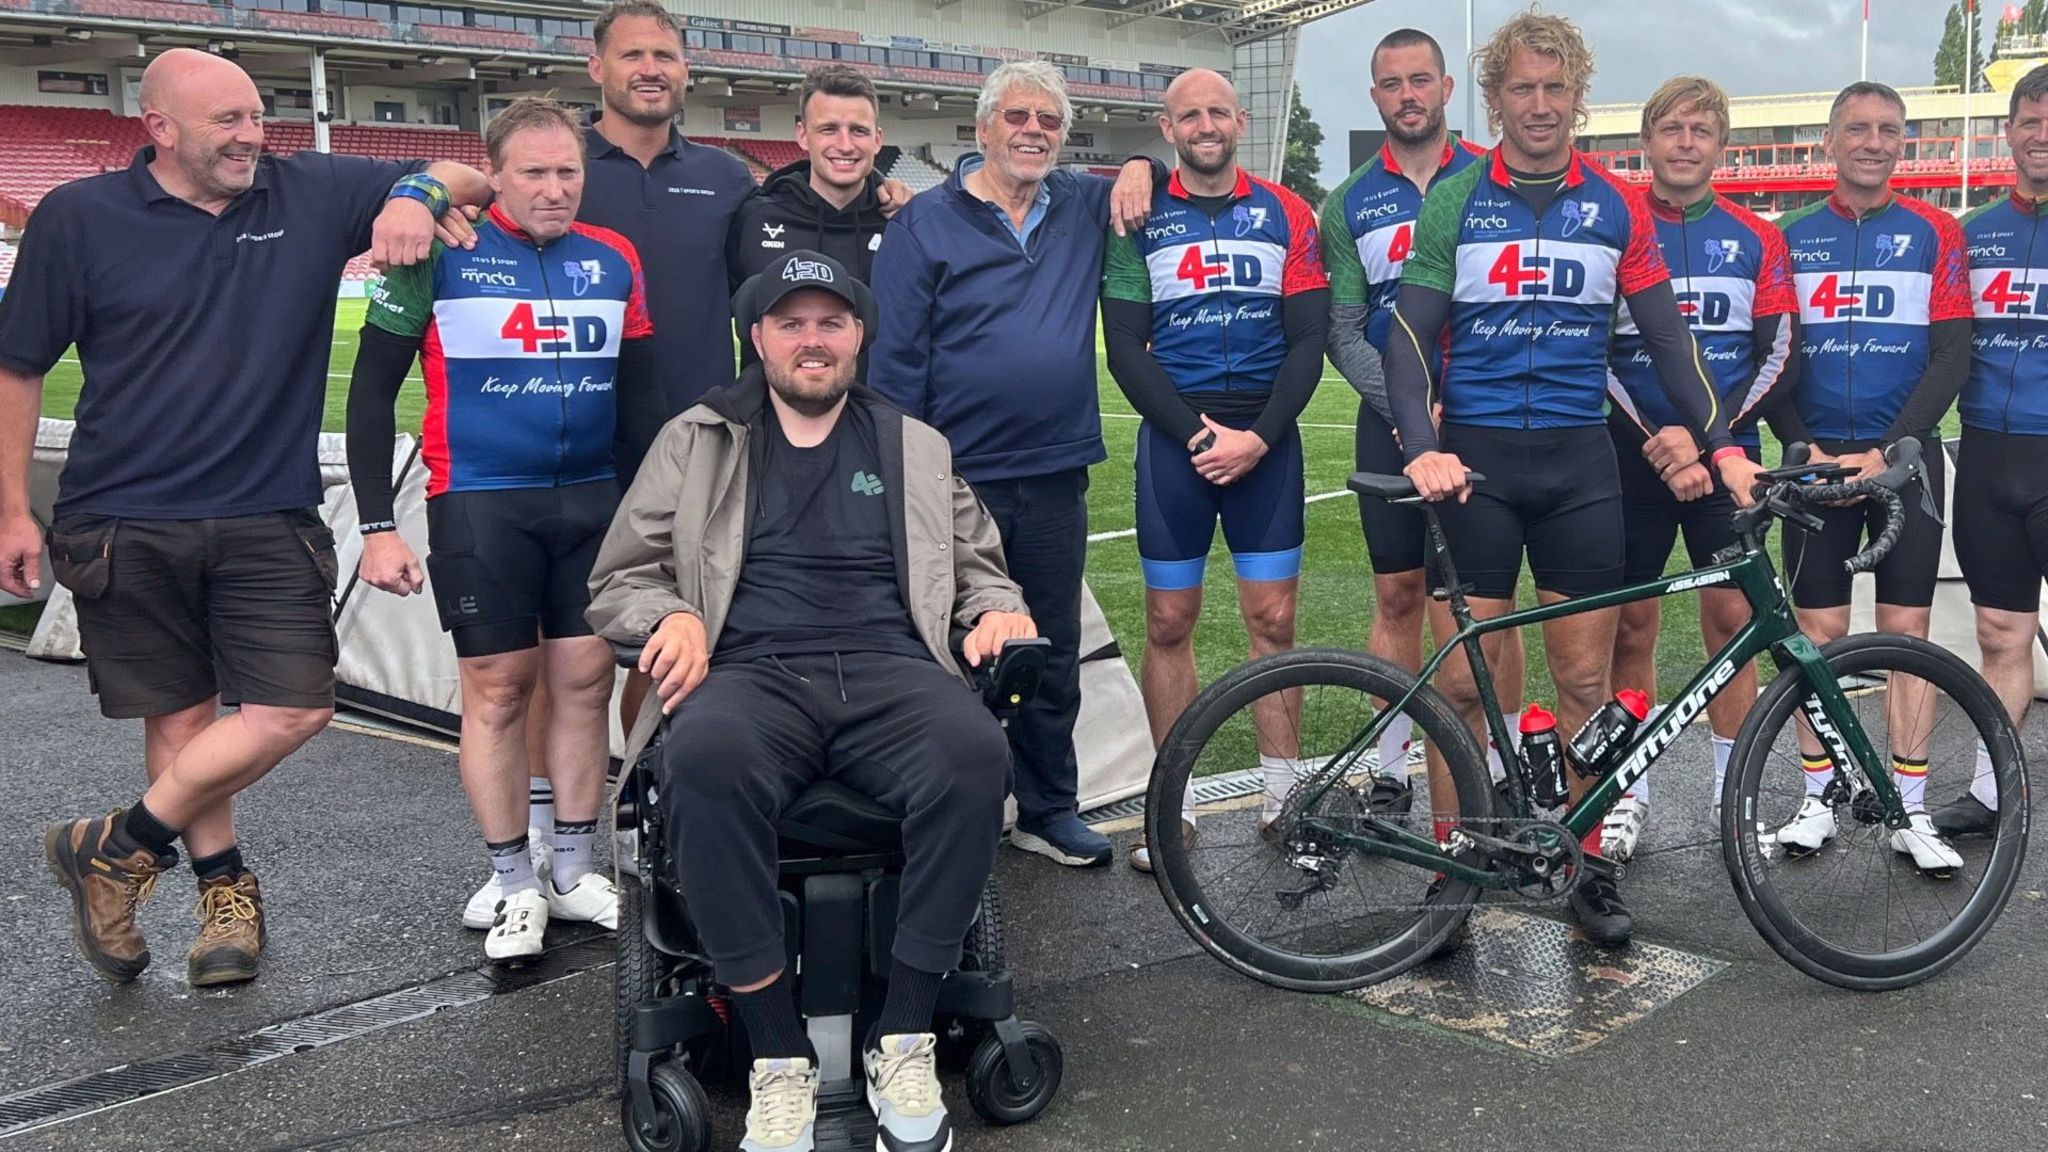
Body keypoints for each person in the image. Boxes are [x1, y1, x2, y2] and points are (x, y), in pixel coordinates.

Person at [0, 47, 487, 986]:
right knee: (180, 717)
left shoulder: (309, 190)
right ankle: (223, 890)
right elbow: (17, 364)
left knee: (295, 708)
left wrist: (413, 194)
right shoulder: (79, 218)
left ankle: (116, 846)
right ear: (159, 129)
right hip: (120, 512)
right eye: (226, 120)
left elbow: (470, 170)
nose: (250, 136)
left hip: (267, 507)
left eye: (257, 116)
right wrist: (11, 508)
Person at [587, 249, 1033, 1152]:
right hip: (750, 669)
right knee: (702, 760)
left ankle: (902, 1035)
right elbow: (621, 576)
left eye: (831, 322)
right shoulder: (698, 436)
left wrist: (996, 611)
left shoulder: (914, 444)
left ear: (859, 336)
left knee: (976, 753)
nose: (812, 340)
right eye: (791, 323)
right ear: (759, 337)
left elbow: (981, 568)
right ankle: (777, 1057)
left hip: (890, 667)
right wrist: (669, 614)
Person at [1383, 7, 1761, 948]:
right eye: (1522, 88)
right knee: (1463, 690)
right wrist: (1416, 440)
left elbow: (1671, 345)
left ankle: (1586, 865)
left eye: (1557, 88)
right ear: (1497, 98)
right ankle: (1453, 871)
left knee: (1586, 679)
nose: (1540, 105)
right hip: (1472, 463)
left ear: (1579, 97)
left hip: (1577, 462)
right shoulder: (1455, 198)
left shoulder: (1617, 205)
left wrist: (1717, 444)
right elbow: (1405, 332)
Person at [344, 98, 653, 962]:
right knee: (499, 691)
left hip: (592, 502)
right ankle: (512, 879)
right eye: (534, 173)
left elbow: (644, 400)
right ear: (495, 176)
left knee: (585, 684)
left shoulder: (615, 258)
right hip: (481, 500)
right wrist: (377, 526)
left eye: (568, 172)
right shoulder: (447, 252)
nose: (554, 189)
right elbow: (370, 398)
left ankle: (571, 869)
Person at [868, 60, 1156, 869]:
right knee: (948, 649)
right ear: (983, 127)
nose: (1034, 131)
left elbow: (1155, 174)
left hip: (1056, 471)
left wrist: (1145, 163)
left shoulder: (1081, 204)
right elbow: (894, 365)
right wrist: (913, 480)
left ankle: (1046, 807)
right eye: (1018, 117)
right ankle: (948, 812)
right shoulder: (926, 222)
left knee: (1050, 649)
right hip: (958, 481)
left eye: (1050, 122)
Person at [1100, 68, 1328, 871]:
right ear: (1169, 130)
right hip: (1177, 439)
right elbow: (1124, 341)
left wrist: (1260, 437)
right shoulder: (1139, 213)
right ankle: (1177, 807)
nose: (1205, 125)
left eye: (1218, 112)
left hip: (1266, 441)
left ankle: (1283, 797)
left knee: (1273, 623)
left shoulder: (1288, 211)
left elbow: (1308, 340)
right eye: (1189, 114)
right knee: (1169, 623)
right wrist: (1195, 434)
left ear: (1240, 121)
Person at [1321, 26, 1526, 807]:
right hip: (1393, 421)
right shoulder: (1348, 202)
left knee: (1485, 603)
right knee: (1399, 593)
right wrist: (1408, 405)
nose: (1407, 95)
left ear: (1446, 90)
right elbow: (1344, 328)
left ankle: (1500, 763)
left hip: (1483, 419)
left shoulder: (1493, 175)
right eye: (1391, 83)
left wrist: (1452, 403)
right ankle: (1391, 761)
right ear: (1376, 98)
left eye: (1420, 80)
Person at [1772, 82, 1970, 873]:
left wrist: (1891, 448)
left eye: (1889, 129)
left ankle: (1908, 808)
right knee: (1815, 640)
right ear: (1830, 141)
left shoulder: (1935, 232)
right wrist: (1804, 446)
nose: (1874, 141)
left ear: (1903, 144)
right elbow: (1773, 359)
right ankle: (1817, 797)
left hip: (1906, 465)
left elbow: (1952, 352)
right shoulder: (1785, 238)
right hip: (1812, 462)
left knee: (1905, 638)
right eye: (1858, 128)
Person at [1600, 75, 1801, 854]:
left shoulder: (1757, 236)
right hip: (1630, 456)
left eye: (1702, 131)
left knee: (1733, 621)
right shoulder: (1616, 229)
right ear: (1647, 141)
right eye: (1673, 128)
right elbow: (1595, 353)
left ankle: (1734, 791)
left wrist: (1715, 441)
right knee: (1628, 625)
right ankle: (1625, 795)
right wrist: (1661, 434)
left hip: (1729, 463)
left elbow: (1779, 353)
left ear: (1722, 147)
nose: (1686, 143)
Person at [1939, 63, 2048, 838]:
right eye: (2030, 121)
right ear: (2009, 132)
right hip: (1985, 456)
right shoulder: (1972, 234)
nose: (2041, 136)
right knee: (2000, 635)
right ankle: (1992, 790)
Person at [727, 63, 891, 375]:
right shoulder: (754, 218)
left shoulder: (902, 223)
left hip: (878, 417)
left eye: (859, 130)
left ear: (877, 139)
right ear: (802, 134)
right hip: (772, 419)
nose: (845, 145)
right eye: (828, 129)